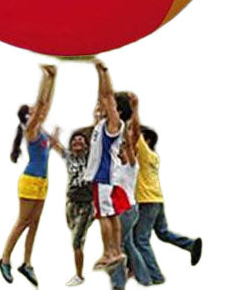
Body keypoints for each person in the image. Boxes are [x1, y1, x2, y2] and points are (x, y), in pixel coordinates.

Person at [0, 65, 57, 286]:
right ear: (27, 117)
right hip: (30, 181)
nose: (37, 110)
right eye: (32, 110)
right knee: (23, 221)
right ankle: (5, 259)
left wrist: (53, 78)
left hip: (42, 182)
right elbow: (42, 103)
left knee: (35, 223)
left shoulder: (40, 131)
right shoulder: (30, 130)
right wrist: (46, 77)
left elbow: (45, 105)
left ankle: (27, 263)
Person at [133, 124, 202, 285]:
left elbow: (135, 133)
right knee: (162, 232)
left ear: (147, 141)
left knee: (141, 239)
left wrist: (131, 116)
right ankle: (190, 244)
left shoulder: (144, 154)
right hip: (157, 200)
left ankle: (156, 276)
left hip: (147, 201)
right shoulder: (153, 157)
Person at [84, 60, 129, 271]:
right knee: (111, 214)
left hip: (103, 176)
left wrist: (104, 71)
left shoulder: (114, 124)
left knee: (103, 215)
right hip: (107, 176)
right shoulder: (103, 124)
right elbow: (102, 97)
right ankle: (116, 251)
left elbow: (108, 96)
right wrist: (99, 75)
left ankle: (109, 252)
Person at [108, 92, 152, 290]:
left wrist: (134, 110)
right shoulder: (117, 166)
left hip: (126, 211)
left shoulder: (132, 165)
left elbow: (131, 136)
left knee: (115, 247)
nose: (122, 152)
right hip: (121, 209)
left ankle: (119, 284)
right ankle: (145, 278)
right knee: (128, 245)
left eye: (125, 150)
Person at [51, 127, 95, 287]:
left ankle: (79, 275)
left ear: (86, 145)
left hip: (86, 203)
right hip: (70, 202)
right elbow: (54, 144)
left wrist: (96, 123)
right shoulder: (68, 157)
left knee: (76, 241)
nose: (77, 141)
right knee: (75, 236)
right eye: (74, 140)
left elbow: (96, 140)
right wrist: (56, 131)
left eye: (80, 140)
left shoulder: (90, 157)